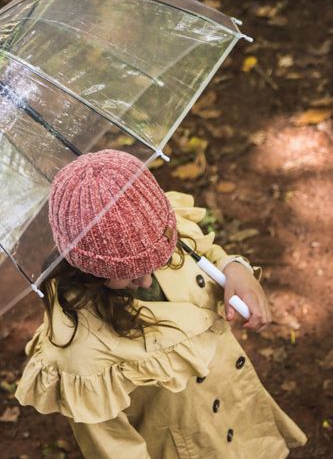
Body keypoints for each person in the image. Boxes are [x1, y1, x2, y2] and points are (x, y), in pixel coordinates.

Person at [15, 149, 307, 458]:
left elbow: (207, 255)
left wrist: (235, 268)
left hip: (242, 412)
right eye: (127, 275)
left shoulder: (159, 229)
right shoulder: (79, 351)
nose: (145, 280)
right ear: (84, 267)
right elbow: (115, 449)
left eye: (157, 261)